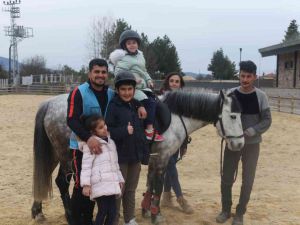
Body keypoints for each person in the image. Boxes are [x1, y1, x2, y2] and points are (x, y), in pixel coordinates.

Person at [67, 58, 146, 225]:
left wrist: (139, 105)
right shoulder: (79, 92)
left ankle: (90, 219)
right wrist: (88, 139)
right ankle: (75, 220)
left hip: (105, 147)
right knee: (82, 185)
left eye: (103, 72)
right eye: (97, 72)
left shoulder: (111, 93)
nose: (100, 75)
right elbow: (72, 120)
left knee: (100, 185)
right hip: (83, 147)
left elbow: (127, 98)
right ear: (90, 73)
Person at [215, 60, 272, 225]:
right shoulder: (231, 94)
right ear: (239, 76)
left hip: (252, 145)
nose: (245, 79)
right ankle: (226, 210)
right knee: (226, 177)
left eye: (248, 76)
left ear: (254, 77)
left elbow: (267, 120)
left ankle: (239, 213)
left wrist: (252, 130)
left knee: (248, 181)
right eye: (242, 76)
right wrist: (225, 133)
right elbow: (223, 117)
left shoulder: (261, 96)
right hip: (232, 144)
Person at [105, 71, 149, 225]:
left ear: (134, 90)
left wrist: (141, 105)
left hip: (135, 155)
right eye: (123, 89)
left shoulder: (134, 104)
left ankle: (130, 218)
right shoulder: (113, 106)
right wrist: (124, 131)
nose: (127, 92)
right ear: (117, 90)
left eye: (130, 89)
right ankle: (114, 219)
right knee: (118, 190)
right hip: (120, 157)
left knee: (131, 189)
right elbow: (107, 130)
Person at [109, 29, 164, 142]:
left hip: (143, 86)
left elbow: (144, 71)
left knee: (155, 100)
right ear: (125, 45)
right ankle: (149, 130)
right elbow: (118, 73)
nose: (132, 45)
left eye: (134, 42)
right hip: (131, 88)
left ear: (138, 44)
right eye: (129, 43)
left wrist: (149, 79)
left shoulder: (140, 56)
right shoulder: (122, 58)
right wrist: (132, 78)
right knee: (149, 102)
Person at [79, 115, 124, 225]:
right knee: (103, 211)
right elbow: (86, 166)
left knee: (113, 212)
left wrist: (120, 178)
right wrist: (86, 185)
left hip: (112, 183)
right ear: (93, 132)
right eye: (100, 127)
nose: (105, 128)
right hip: (99, 184)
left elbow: (115, 164)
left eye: (104, 125)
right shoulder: (90, 146)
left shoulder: (111, 143)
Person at [160, 72, 193, 214]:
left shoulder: (183, 101)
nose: (174, 83)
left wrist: (184, 144)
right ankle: (180, 198)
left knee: (170, 166)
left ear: (180, 84)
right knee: (171, 167)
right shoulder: (161, 99)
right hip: (163, 141)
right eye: (172, 81)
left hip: (177, 140)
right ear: (168, 82)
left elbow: (185, 125)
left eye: (177, 81)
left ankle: (166, 198)